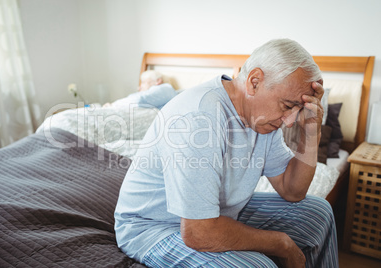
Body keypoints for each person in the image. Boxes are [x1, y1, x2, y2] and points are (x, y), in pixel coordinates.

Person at [114, 39, 338, 267]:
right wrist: (282, 244)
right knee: (259, 265)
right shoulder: (199, 118)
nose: (290, 122)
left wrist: (311, 132)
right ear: (255, 81)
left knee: (318, 213)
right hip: (155, 226)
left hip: (217, 211)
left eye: (298, 110)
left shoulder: (262, 121)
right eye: (288, 106)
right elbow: (198, 232)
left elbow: (292, 191)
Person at [103, 70, 177, 109]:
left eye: (144, 82)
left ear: (158, 81)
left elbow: (139, 100)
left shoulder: (166, 88)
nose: (139, 87)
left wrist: (113, 105)